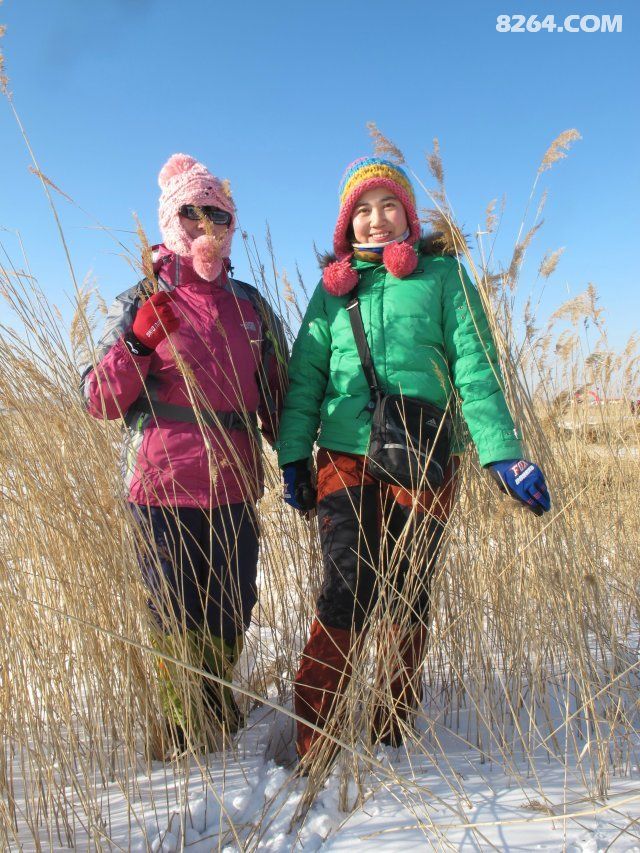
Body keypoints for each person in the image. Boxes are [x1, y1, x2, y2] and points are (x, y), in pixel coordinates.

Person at [277, 157, 550, 764]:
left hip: (426, 457)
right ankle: (313, 735)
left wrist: (503, 454)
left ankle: (393, 723)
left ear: (408, 214)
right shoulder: (330, 293)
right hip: (344, 457)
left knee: (409, 588)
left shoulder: (445, 277)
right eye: (363, 211)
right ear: (348, 226)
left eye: (388, 206)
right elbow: (304, 380)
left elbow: (476, 370)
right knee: (343, 590)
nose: (376, 221)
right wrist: (295, 455)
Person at [82, 153, 287, 744]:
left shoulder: (250, 305)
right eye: (191, 214)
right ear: (172, 220)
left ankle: (215, 707)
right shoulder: (141, 298)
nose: (206, 226)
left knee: (232, 604)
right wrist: (140, 345)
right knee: (175, 610)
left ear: (231, 224)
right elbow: (97, 398)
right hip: (160, 487)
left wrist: (298, 458)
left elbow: (279, 394)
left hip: (236, 486)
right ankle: (181, 723)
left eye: (218, 215)